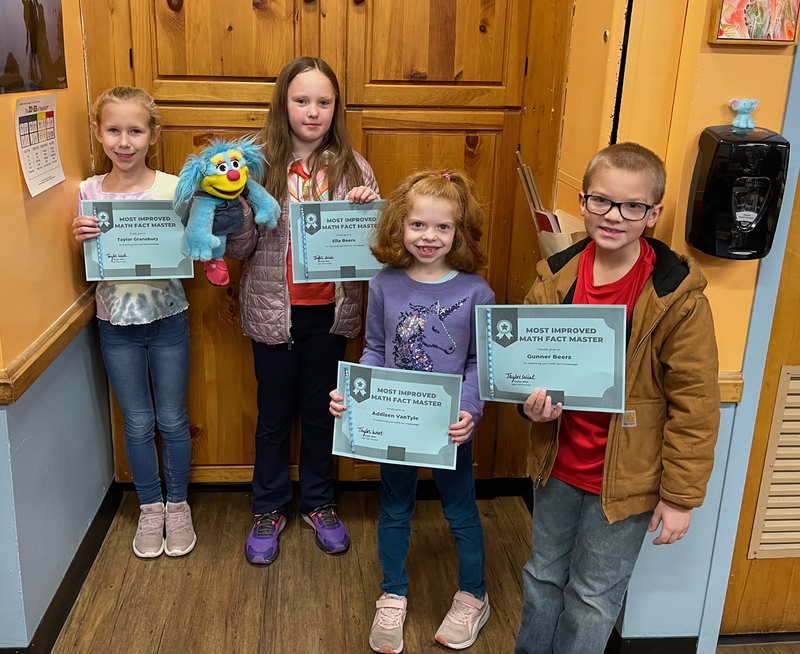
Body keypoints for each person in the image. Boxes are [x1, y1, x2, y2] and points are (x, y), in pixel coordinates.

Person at [514, 143, 720, 654]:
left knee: (593, 597)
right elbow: (526, 370)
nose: (613, 216)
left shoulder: (677, 298)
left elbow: (695, 405)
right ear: (582, 203)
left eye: (632, 206)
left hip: (629, 480)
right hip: (558, 466)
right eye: (602, 201)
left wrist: (679, 497)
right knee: (541, 578)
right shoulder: (553, 279)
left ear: (653, 214)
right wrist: (528, 405)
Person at [330, 170, 495, 653]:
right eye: (418, 224)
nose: (429, 236)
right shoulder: (384, 283)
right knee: (395, 508)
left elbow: (477, 363)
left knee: (460, 512)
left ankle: (473, 594)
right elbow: (375, 349)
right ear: (399, 226)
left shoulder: (476, 291)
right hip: (393, 425)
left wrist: (469, 411)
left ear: (458, 232)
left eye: (443, 227)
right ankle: (392, 593)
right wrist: (353, 393)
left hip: (449, 429)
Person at [225, 57, 379, 566]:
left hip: (330, 315)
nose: (313, 111)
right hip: (273, 312)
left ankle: (318, 502)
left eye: (323, 102)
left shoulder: (354, 168)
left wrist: (368, 210)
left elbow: (374, 248)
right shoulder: (255, 165)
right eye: (302, 100)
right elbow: (242, 249)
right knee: (273, 417)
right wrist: (234, 212)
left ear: (336, 108)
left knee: (320, 415)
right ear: (283, 104)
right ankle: (268, 507)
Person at [73, 86, 196, 559]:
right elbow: (88, 260)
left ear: (153, 135)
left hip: (169, 320)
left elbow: (199, 240)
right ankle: (150, 506)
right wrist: (78, 235)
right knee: (139, 421)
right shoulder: (88, 193)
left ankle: (178, 505)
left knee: (172, 417)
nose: (124, 142)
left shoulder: (174, 188)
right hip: (115, 326)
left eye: (135, 131)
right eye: (113, 130)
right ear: (98, 133)